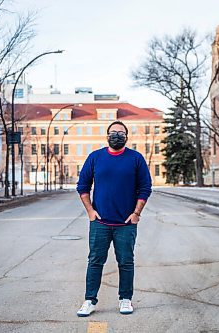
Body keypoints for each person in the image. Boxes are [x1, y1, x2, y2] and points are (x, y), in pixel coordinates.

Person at [76, 120, 152, 317]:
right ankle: (89, 300)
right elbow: (82, 186)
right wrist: (90, 211)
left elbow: (145, 188)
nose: (117, 135)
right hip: (100, 223)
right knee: (95, 261)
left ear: (126, 136)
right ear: (107, 136)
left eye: (121, 132)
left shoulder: (136, 158)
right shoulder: (95, 157)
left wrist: (136, 213)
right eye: (113, 132)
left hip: (126, 224)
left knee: (126, 262)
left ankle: (125, 299)